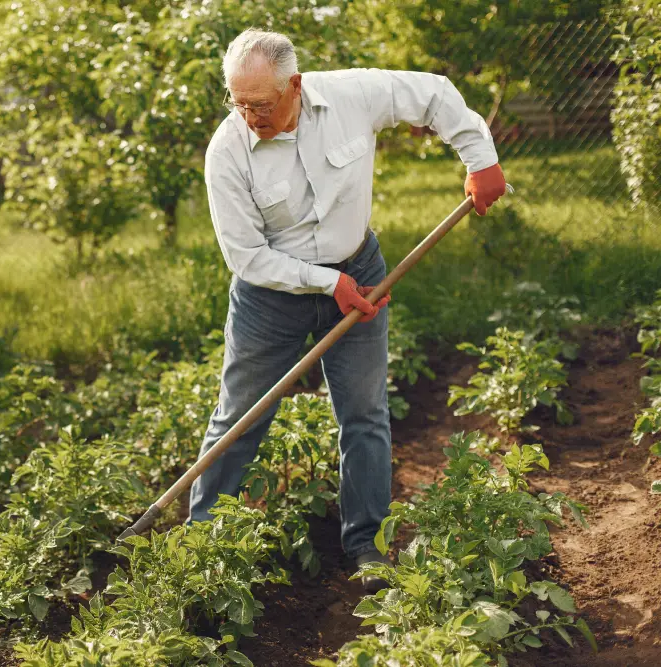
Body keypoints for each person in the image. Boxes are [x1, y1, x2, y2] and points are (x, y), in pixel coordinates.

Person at [190, 28, 506, 592]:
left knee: (364, 416)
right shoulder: (227, 151)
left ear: (295, 85)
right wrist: (322, 282)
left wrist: (479, 159)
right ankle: (200, 545)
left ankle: (367, 546)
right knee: (240, 417)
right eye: (239, 103)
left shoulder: (350, 95)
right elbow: (245, 256)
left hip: (359, 272)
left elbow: (433, 94)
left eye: (261, 104)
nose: (251, 116)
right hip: (271, 298)